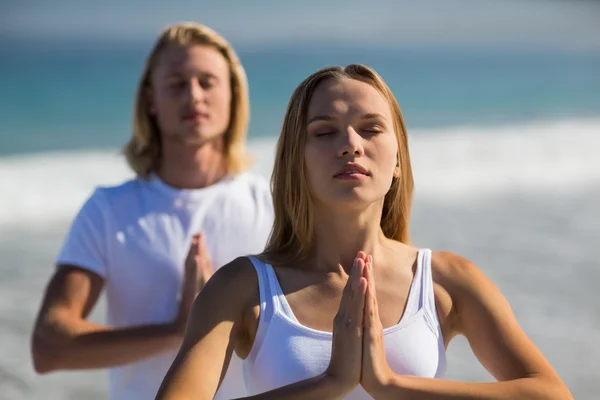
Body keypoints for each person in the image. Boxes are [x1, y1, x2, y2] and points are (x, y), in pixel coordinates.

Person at [154, 64, 573, 400]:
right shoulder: (243, 287)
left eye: (371, 129)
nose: (351, 144)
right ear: (295, 161)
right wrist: (329, 384)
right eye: (324, 132)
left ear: (397, 160)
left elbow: (550, 393)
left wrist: (392, 386)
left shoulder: (446, 279)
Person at [30, 22, 273, 400]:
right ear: (150, 100)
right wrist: (181, 329)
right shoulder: (108, 210)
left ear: (233, 95)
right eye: (176, 83)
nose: (194, 95)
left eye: (207, 82)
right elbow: (49, 345)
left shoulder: (275, 205)